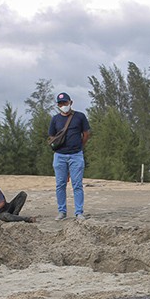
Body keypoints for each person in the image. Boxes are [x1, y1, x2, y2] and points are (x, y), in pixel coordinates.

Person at [49, 92, 91, 221]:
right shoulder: (55, 119)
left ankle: (79, 212)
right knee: (60, 184)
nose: (63, 105)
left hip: (76, 155)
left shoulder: (80, 116)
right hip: (59, 155)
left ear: (70, 102)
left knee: (77, 184)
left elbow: (86, 133)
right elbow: (51, 136)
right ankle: (62, 211)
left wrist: (79, 146)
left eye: (65, 103)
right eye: (60, 103)